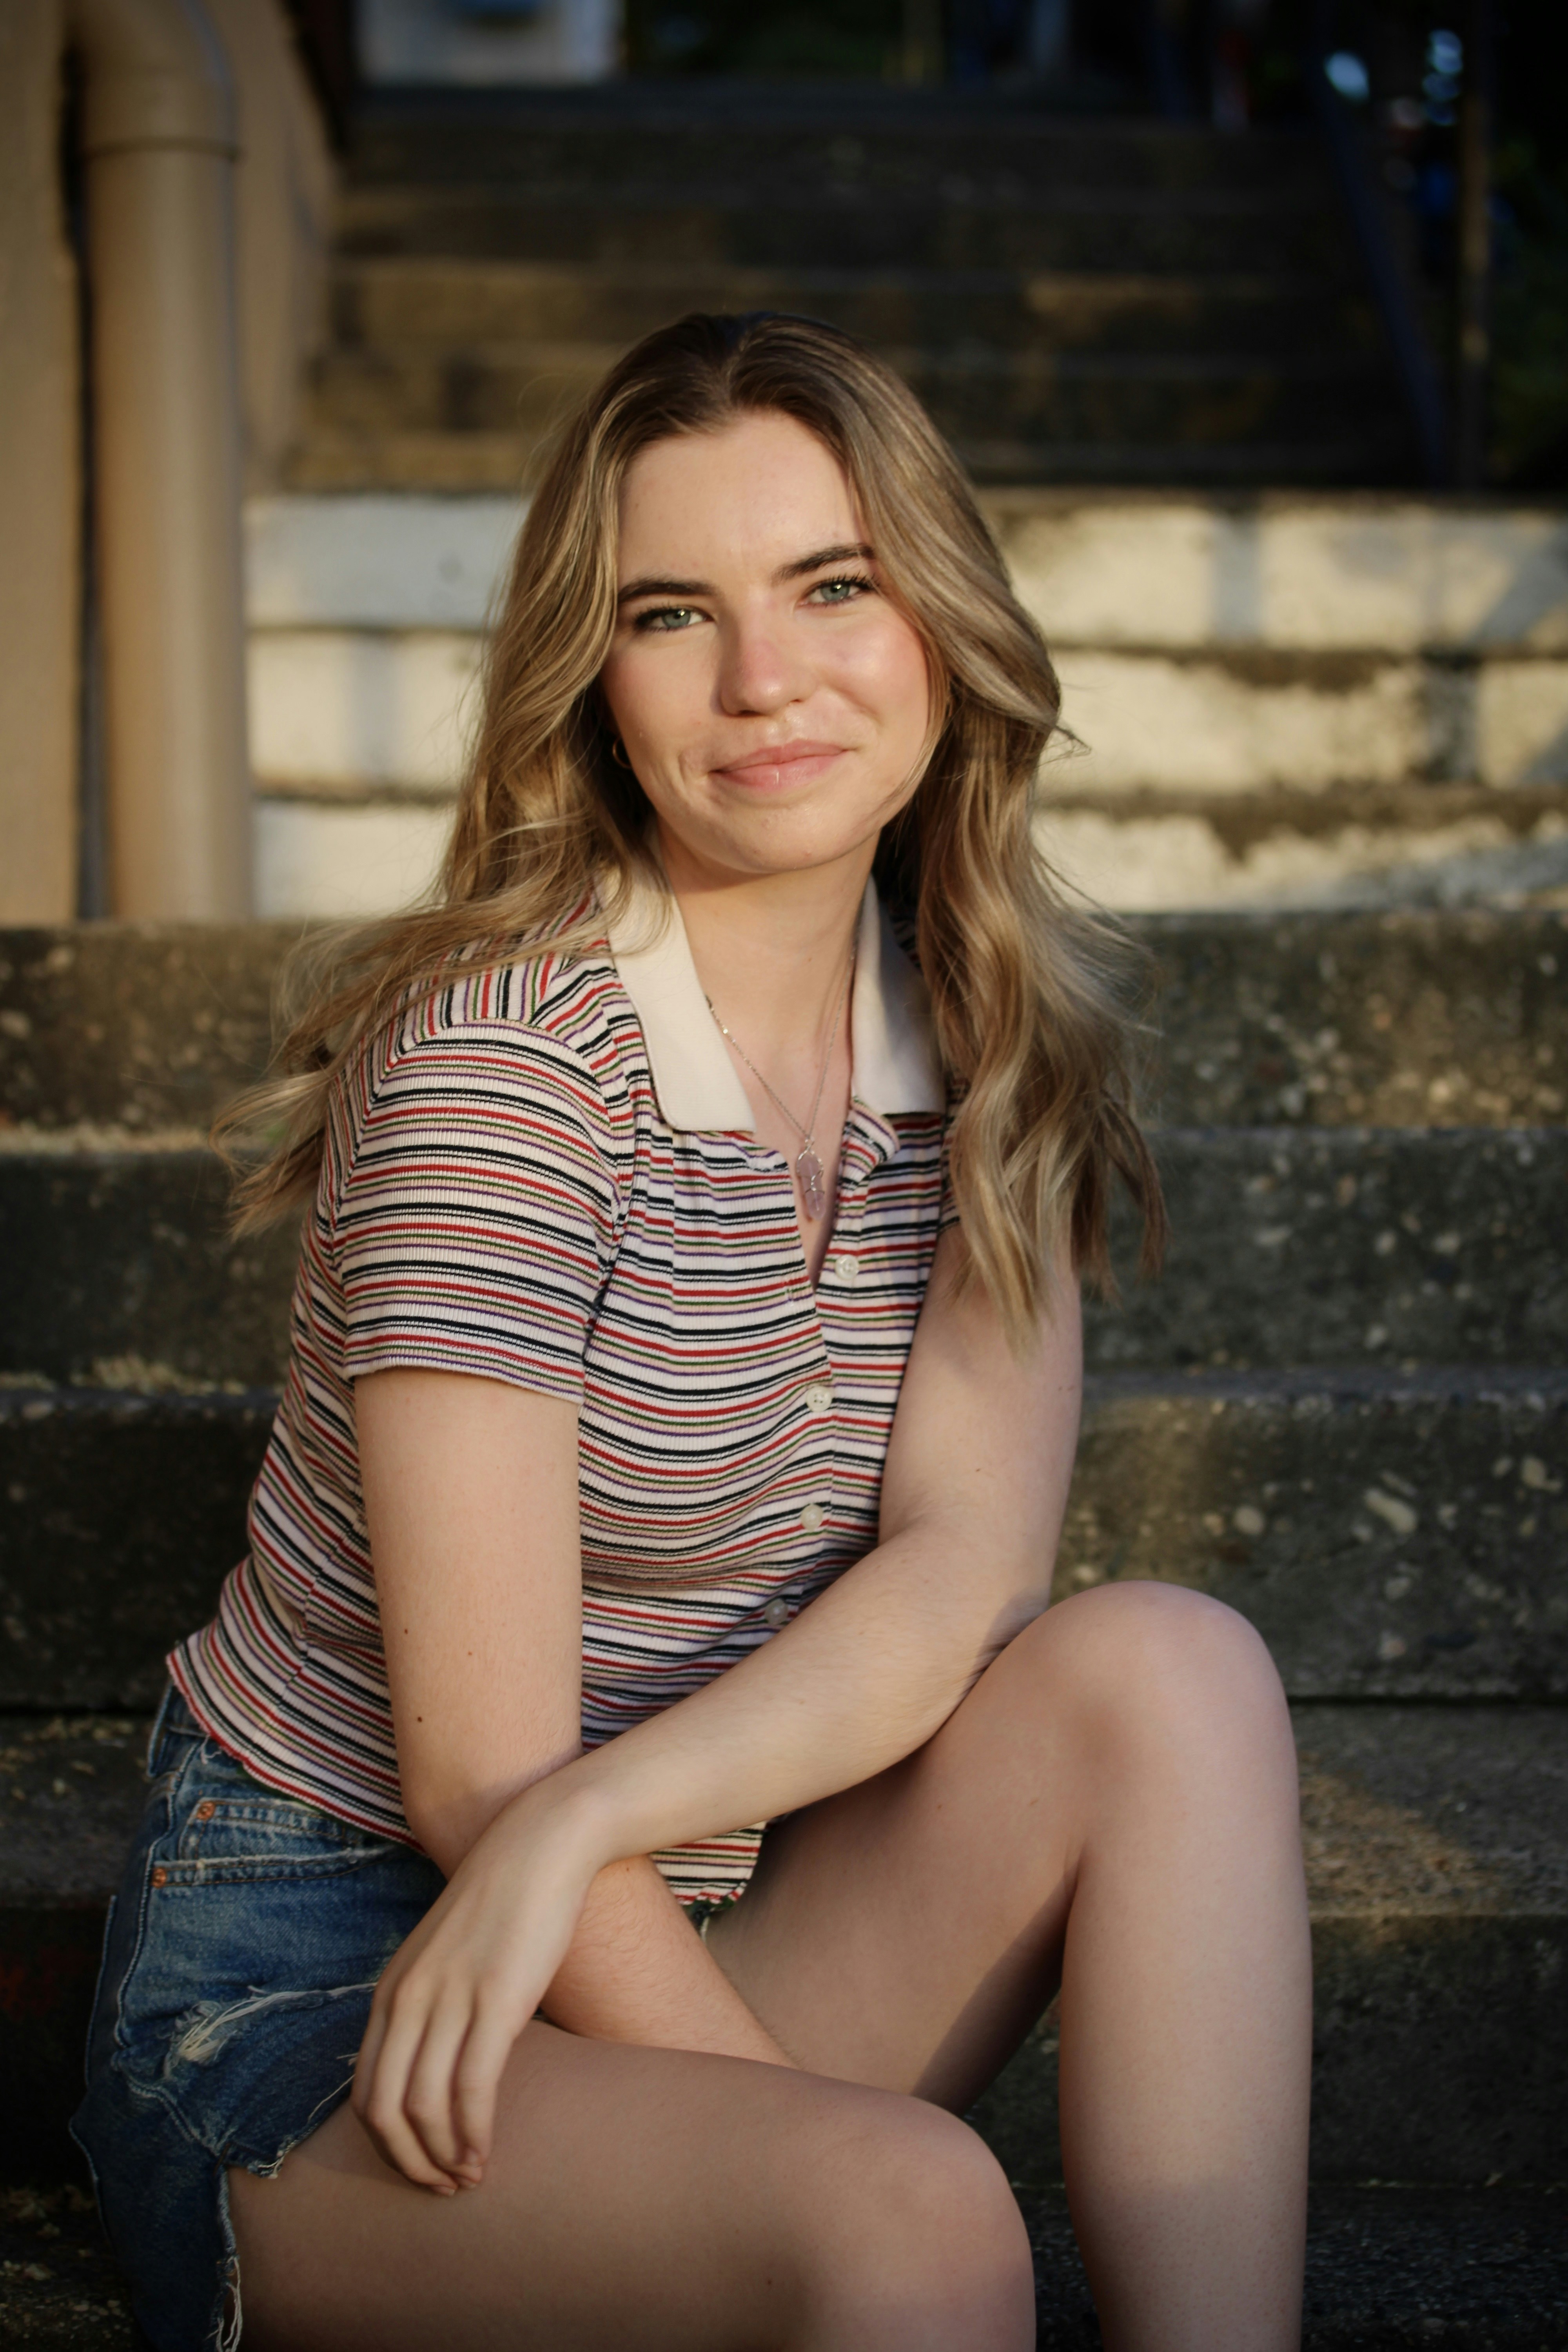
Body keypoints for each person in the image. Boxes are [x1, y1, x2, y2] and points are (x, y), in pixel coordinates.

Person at [73, 312, 1312, 2352]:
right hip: (330, 1973)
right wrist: (825, 2158)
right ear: (595, 683)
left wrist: (592, 1821)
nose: (766, 679)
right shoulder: (506, 1065)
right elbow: (483, 1773)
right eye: (674, 613)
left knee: (1173, 1670)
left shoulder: (990, 1045)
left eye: (835, 583)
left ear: (942, 618)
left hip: (674, 1888)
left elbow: (963, 1571)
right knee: (918, 2231)